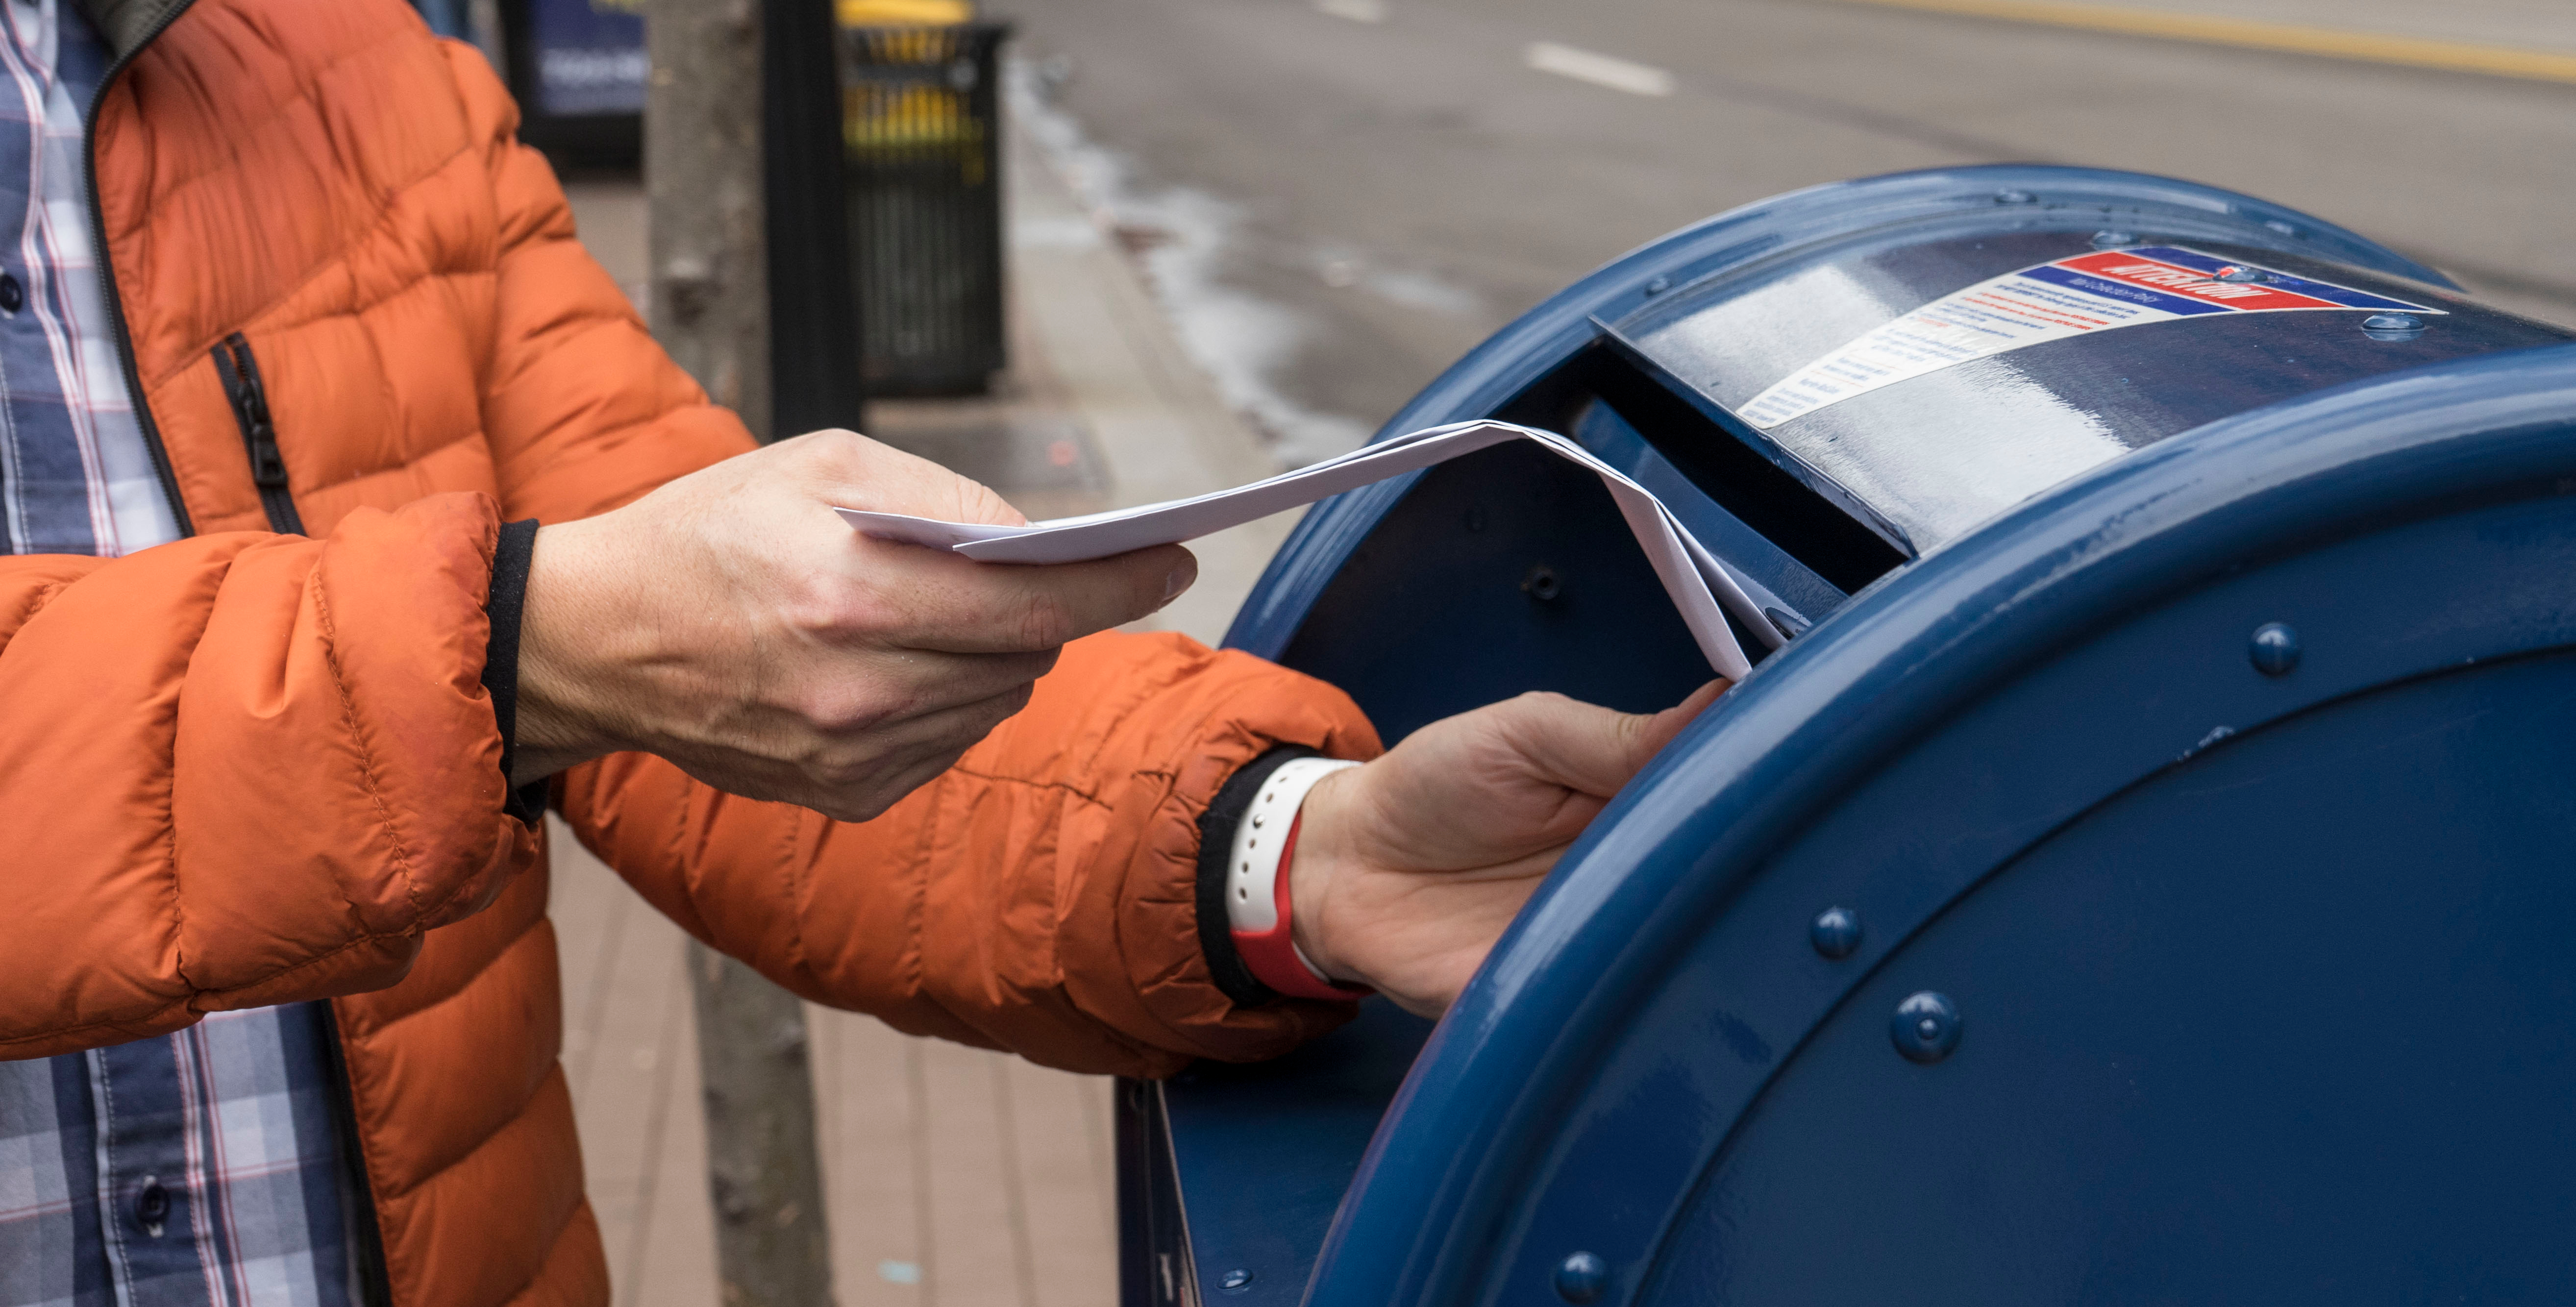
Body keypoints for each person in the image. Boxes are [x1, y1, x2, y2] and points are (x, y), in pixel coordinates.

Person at [0, 2, 1716, 1304]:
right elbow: (569, 623)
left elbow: (708, 657)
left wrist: (1288, 855)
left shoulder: (346, 69)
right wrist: (515, 643)